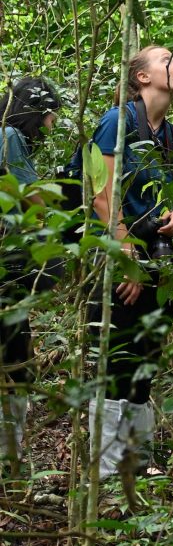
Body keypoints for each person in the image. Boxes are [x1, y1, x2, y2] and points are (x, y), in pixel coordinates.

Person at [88, 46, 173, 480]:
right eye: (167, 60)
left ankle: (137, 462)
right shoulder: (119, 121)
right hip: (122, 254)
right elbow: (100, 191)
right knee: (118, 358)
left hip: (160, 260)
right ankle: (108, 469)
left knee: (146, 358)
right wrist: (125, 256)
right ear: (142, 78)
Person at [0, 76, 61, 462]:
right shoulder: (9, 136)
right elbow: (30, 201)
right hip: (7, 268)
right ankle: (9, 458)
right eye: (51, 114)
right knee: (13, 360)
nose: (53, 123)